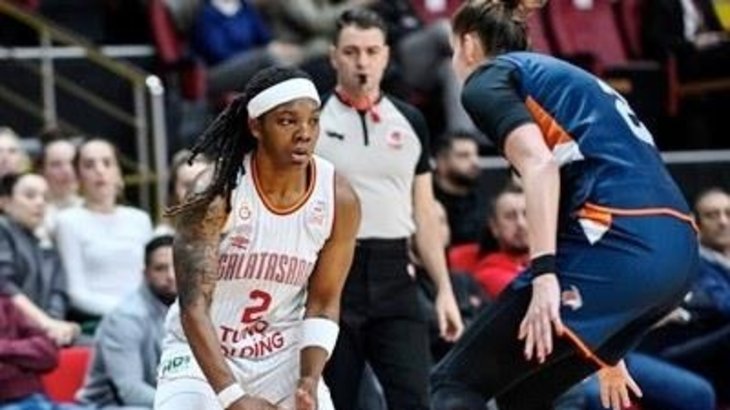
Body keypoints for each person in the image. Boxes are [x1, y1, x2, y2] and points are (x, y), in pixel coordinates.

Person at [430, 1, 699, 409]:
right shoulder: (568, 79)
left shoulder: (488, 77)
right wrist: (609, 341)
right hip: (677, 255)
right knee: (523, 396)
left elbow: (541, 167)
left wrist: (544, 275)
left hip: (619, 241)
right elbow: (584, 179)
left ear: (468, 45)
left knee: (453, 382)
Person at [154, 66, 361, 410]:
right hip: (202, 350)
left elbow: (324, 303)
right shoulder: (215, 194)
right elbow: (193, 307)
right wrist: (232, 397)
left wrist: (309, 380)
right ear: (255, 126)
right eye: (287, 121)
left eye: (313, 121)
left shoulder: (339, 198)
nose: (304, 133)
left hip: (280, 354)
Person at [315, 8, 464, 410]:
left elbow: (425, 213)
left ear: (386, 55)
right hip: (332, 274)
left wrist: (444, 290)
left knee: (414, 399)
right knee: (334, 401)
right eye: (351, 52)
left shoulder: (411, 120)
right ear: (333, 57)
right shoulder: (312, 122)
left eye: (371, 51)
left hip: (396, 273)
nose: (361, 62)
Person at [55, 139, 153, 333]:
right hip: (99, 322)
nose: (99, 170)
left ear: (118, 172)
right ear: (78, 176)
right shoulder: (67, 221)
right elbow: (76, 293)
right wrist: (127, 312)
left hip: (146, 316)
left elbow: (151, 278)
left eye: (107, 163)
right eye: (89, 165)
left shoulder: (140, 219)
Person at [77, 235, 176, 409]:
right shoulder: (125, 318)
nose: (171, 275)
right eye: (160, 268)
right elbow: (131, 391)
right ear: (145, 274)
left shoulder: (190, 310)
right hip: (109, 405)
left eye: (177, 266)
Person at [0, 172, 80, 347]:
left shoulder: (47, 245)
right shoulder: (2, 230)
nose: (40, 202)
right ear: (5, 203)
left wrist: (57, 324)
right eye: (30, 196)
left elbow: (58, 292)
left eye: (45, 197)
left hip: (41, 333)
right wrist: (45, 323)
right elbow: (4, 286)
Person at [0, 294, 85, 410]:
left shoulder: (7, 306)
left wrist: (4, 349)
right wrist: (21, 357)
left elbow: (48, 354)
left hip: (37, 400)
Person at [433, 131, 486, 246]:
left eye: (476, 155)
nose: (475, 162)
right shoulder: (426, 200)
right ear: (442, 162)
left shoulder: (485, 199)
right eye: (464, 156)